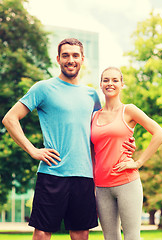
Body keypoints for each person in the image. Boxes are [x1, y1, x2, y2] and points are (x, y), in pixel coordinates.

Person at [2, 39, 134, 240]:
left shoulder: (91, 95)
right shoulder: (43, 88)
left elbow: (102, 132)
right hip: (52, 173)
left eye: (75, 55)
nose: (70, 60)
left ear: (82, 59)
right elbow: (10, 118)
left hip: (85, 176)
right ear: (58, 59)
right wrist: (33, 150)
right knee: (42, 233)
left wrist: (126, 143)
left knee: (81, 233)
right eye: (65, 55)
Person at [91, 66, 162, 240]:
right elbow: (93, 151)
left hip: (126, 182)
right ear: (101, 85)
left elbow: (159, 134)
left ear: (122, 84)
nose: (110, 83)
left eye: (115, 80)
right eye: (106, 80)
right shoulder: (94, 117)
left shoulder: (129, 110)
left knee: (132, 236)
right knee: (110, 237)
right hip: (102, 187)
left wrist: (138, 162)